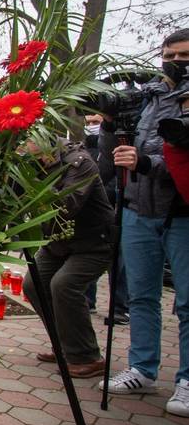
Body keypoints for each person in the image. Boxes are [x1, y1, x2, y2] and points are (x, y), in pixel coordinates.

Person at [97, 28, 189, 417]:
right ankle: (142, 367)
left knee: (186, 301)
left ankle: (186, 380)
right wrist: (107, 126)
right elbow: (114, 155)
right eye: (169, 54)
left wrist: (148, 163)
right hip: (137, 208)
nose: (175, 61)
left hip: (180, 211)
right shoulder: (149, 96)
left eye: (183, 55)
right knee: (141, 296)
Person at [22, 138, 114, 378]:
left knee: (64, 285)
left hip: (93, 243)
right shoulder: (33, 164)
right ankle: (64, 344)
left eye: (25, 140)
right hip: (58, 243)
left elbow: (65, 205)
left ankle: (87, 356)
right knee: (33, 284)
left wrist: (28, 184)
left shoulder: (79, 163)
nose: (20, 146)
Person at [83, 113, 130, 323]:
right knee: (86, 254)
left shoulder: (112, 145)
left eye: (96, 123)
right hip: (89, 211)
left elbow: (110, 175)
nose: (91, 126)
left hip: (111, 206)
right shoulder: (85, 146)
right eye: (89, 123)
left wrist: (102, 195)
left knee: (116, 262)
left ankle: (119, 306)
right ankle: (87, 301)